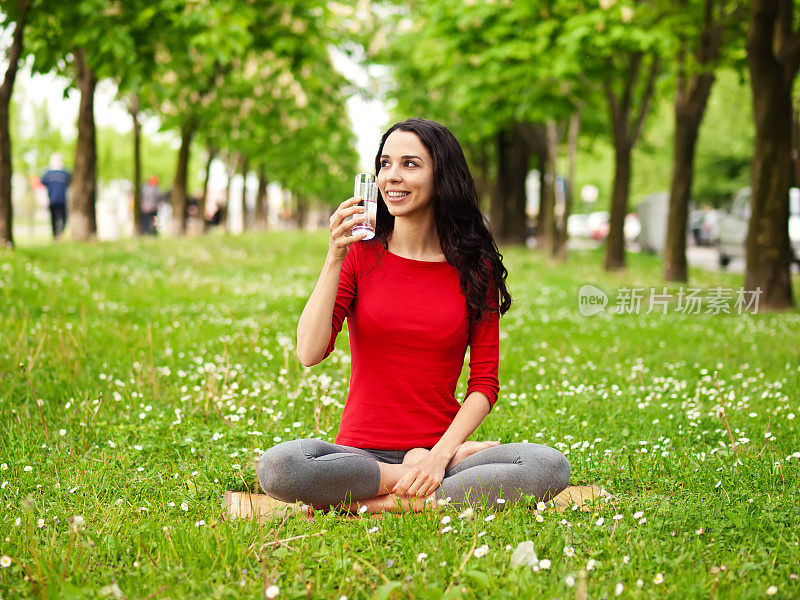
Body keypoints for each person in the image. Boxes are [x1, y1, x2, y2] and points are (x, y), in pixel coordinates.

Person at [257, 118, 570, 515]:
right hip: (360, 458)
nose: (391, 176)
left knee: (547, 465)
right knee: (282, 467)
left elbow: (484, 384)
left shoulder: (476, 268)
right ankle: (404, 486)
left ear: (442, 177)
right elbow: (308, 352)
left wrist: (440, 457)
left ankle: (374, 505)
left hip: (441, 452)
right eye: (385, 164)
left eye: (410, 164)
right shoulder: (360, 256)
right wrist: (333, 256)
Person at [40, 153, 71, 238]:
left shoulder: (65, 173)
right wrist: (43, 200)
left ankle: (60, 233)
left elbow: (69, 188)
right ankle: (55, 235)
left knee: (63, 217)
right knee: (54, 218)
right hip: (52, 200)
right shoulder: (48, 174)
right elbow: (42, 188)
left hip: (62, 200)